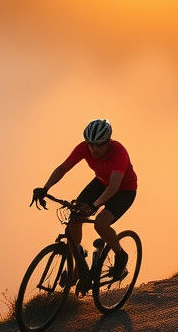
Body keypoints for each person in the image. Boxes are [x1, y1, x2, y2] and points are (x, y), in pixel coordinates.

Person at [32, 119, 137, 294]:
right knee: (75, 216)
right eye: (90, 144)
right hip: (101, 182)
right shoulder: (83, 148)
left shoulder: (119, 153)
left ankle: (121, 254)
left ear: (108, 142)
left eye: (99, 145)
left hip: (124, 190)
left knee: (100, 223)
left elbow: (114, 186)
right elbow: (63, 168)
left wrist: (94, 206)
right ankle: (80, 267)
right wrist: (45, 188)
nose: (94, 149)